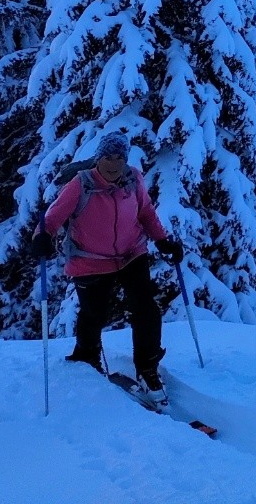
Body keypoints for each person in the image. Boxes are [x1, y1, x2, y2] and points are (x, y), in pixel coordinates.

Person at [31, 133, 184, 403]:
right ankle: (86, 358)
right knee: (94, 314)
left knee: (145, 308)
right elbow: (53, 216)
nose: (114, 164)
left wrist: (162, 240)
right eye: (108, 157)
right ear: (98, 159)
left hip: (131, 253)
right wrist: (43, 236)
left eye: (119, 158)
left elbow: (146, 212)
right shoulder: (82, 184)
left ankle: (147, 368)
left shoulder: (133, 178)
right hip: (90, 259)